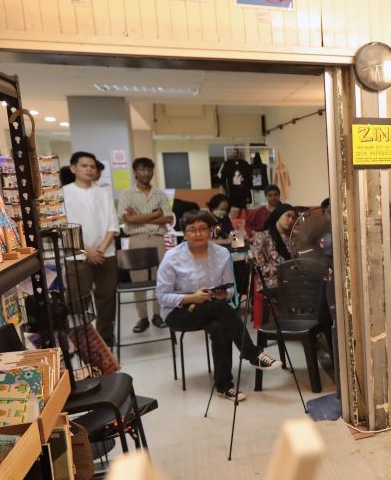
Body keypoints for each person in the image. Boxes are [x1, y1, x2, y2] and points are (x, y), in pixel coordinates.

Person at [157, 210, 278, 400]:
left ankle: (224, 385)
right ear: (185, 233)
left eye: (203, 229)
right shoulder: (172, 257)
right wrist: (192, 298)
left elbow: (231, 291)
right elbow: (162, 296)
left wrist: (224, 294)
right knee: (220, 309)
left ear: (211, 230)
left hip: (212, 309)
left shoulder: (221, 253)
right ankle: (252, 353)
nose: (198, 234)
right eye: (192, 230)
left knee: (219, 327)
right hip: (179, 312)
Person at [62, 151, 120, 347]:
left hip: (106, 253)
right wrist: (88, 251)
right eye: (84, 165)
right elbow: (64, 227)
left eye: (92, 166)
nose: (89, 169)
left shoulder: (103, 191)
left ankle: (106, 341)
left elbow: (113, 223)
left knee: (107, 298)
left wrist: (101, 249)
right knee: (77, 301)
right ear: (73, 168)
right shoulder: (64, 193)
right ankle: (80, 343)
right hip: (76, 255)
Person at [118, 157, 174, 333]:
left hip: (158, 237)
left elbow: (168, 218)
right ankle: (142, 317)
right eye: (142, 169)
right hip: (137, 238)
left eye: (149, 170)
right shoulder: (127, 194)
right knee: (139, 279)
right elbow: (127, 218)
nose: (146, 173)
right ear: (135, 172)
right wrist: (153, 215)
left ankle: (158, 314)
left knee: (161, 278)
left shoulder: (160, 194)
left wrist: (138, 216)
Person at [252, 203, 296, 289]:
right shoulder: (262, 237)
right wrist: (285, 268)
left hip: (295, 281)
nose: (291, 220)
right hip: (272, 284)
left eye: (294, 218)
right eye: (288, 216)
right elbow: (259, 268)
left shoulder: (294, 237)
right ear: (278, 215)